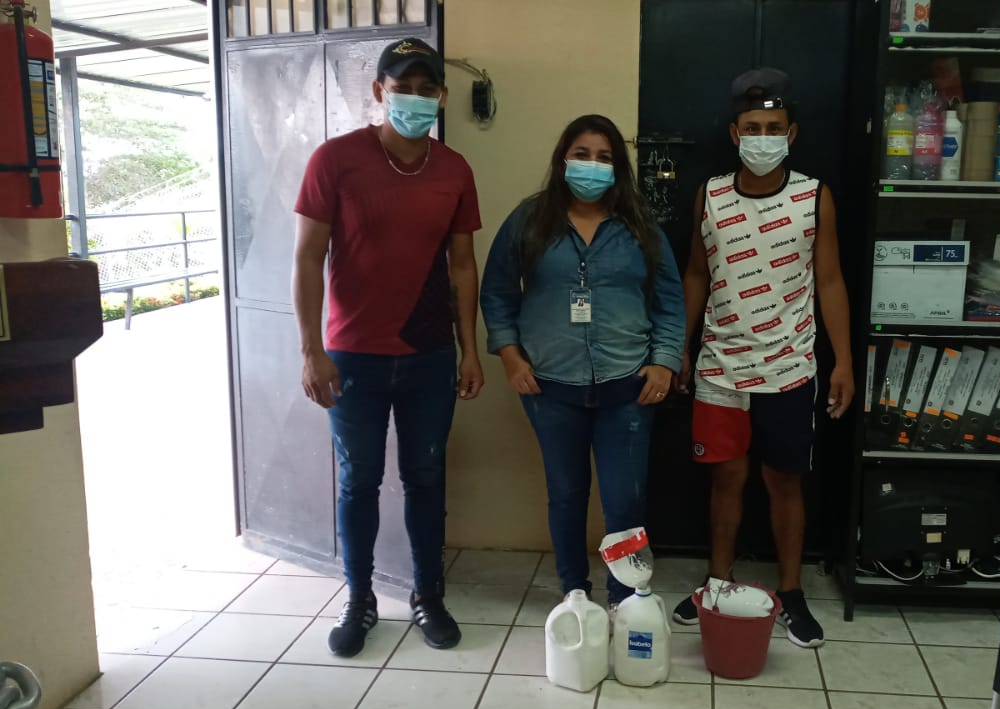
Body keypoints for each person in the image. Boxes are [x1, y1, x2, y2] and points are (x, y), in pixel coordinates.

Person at [292, 37, 483, 657]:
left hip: (429, 354)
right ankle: (359, 598)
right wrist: (311, 351)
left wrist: (470, 349)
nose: (416, 99)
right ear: (380, 91)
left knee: (426, 477)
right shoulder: (335, 160)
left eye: (428, 90)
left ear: (443, 97)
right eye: (403, 88)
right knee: (359, 482)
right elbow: (307, 258)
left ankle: (429, 595)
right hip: (353, 357)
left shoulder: (454, 169)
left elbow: (462, 265)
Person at [671, 68, 855, 648]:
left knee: (784, 482)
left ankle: (791, 593)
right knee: (726, 480)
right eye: (752, 128)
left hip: (789, 367)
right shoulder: (710, 195)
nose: (762, 138)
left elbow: (830, 281)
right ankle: (717, 583)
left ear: (791, 134)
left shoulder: (813, 196)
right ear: (735, 134)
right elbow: (695, 275)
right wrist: (679, 347)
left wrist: (844, 361)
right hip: (719, 368)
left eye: (774, 128)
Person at [480, 115, 685, 609]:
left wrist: (664, 362)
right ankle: (574, 591)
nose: (592, 165)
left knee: (625, 499)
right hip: (549, 385)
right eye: (582, 154)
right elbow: (497, 292)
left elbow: (669, 301)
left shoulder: (640, 226)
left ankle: (625, 596)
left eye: (604, 157)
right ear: (563, 160)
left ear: (618, 167)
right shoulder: (530, 220)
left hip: (628, 385)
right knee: (567, 494)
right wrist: (510, 358)